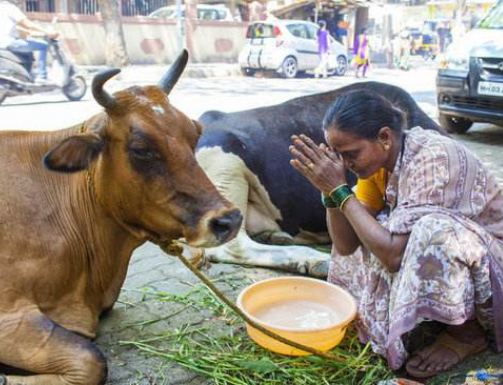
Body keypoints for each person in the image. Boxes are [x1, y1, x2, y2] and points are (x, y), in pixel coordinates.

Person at [289, 90, 503, 378]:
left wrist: (341, 192)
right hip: (460, 263)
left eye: (351, 154)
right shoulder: (379, 167)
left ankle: (468, 334)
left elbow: (393, 256)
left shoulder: (433, 157)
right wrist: (330, 193)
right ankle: (430, 317)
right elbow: (345, 245)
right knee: (362, 220)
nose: (345, 164)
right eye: (338, 155)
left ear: (385, 137)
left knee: (432, 232)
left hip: (494, 267)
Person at [0, 1, 58, 81]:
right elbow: (27, 24)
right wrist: (47, 32)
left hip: (3, 44)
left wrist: (30, 33)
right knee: (44, 45)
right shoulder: (10, 8)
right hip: (10, 42)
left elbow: (12, 27)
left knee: (28, 51)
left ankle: (27, 76)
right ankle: (42, 76)